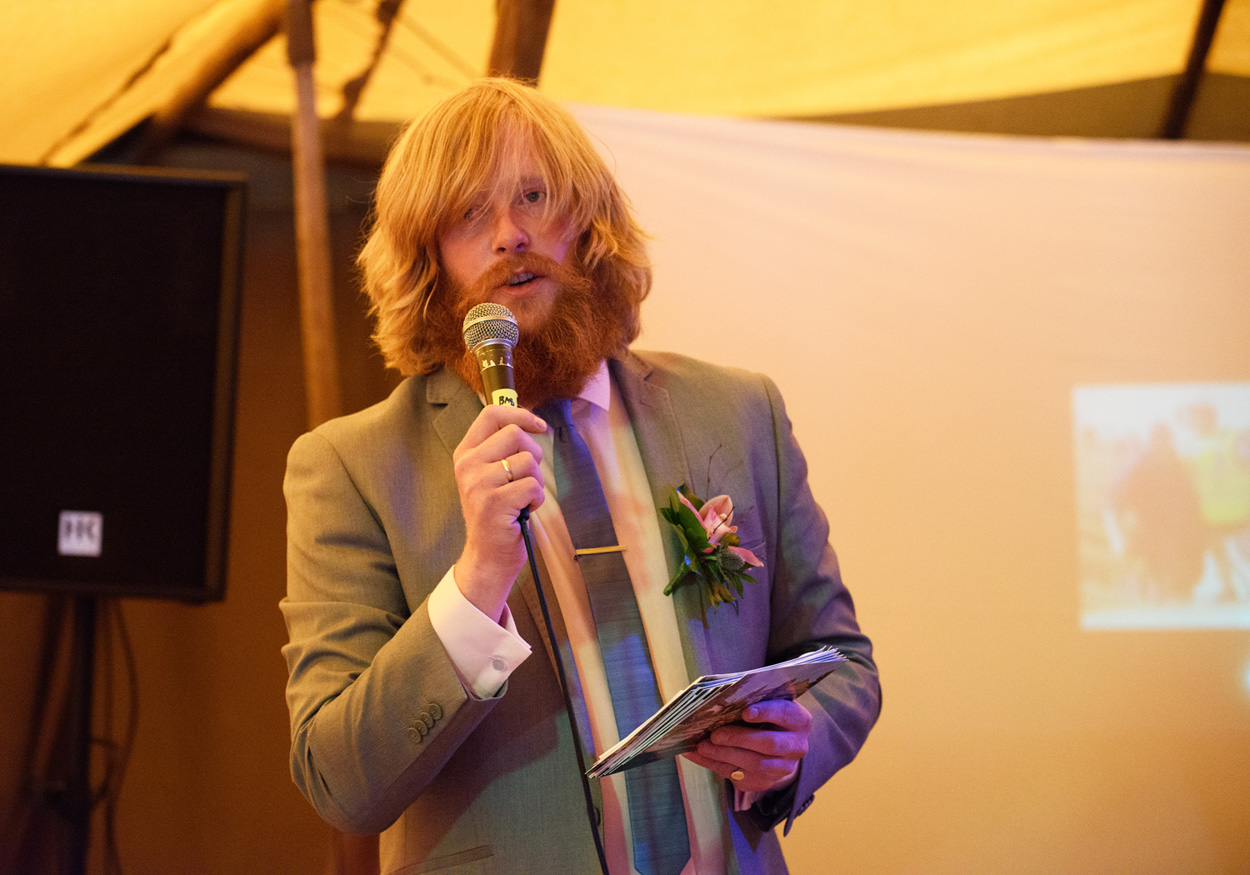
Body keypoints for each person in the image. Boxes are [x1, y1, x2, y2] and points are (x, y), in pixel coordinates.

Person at [281, 76, 881, 874]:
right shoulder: (350, 466)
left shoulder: (738, 412)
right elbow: (340, 782)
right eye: (468, 214)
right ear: (428, 261)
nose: (509, 235)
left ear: (588, 223)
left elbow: (841, 660)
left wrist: (792, 749)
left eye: (534, 197)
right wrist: (476, 581)